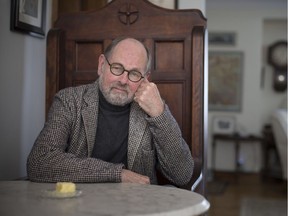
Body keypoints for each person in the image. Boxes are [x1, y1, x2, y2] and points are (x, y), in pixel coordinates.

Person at [27, 37, 194, 187]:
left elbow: (182, 174)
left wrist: (159, 114)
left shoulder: (154, 108)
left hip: (138, 208)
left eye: (134, 73)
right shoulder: (69, 101)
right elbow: (39, 162)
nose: (123, 80)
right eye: (117, 68)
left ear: (145, 78)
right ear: (101, 65)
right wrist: (117, 174)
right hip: (79, 204)